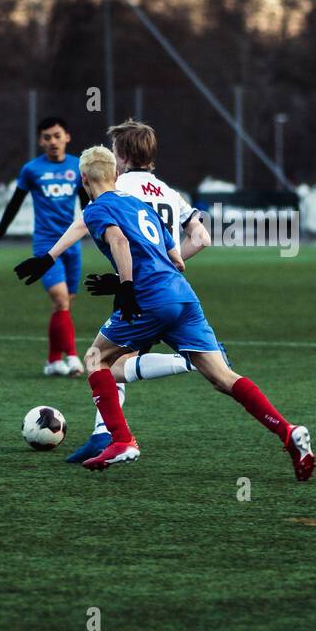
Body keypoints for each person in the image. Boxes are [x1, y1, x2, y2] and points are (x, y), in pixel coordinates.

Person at [14, 145, 315, 481]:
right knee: (222, 378)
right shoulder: (139, 205)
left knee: (96, 359)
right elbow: (177, 260)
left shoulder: (99, 208)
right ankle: (288, 432)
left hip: (148, 299)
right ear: (115, 174)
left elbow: (119, 242)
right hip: (183, 297)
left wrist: (126, 286)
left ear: (83, 178)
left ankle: (122, 440)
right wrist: (52, 258)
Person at [66, 117, 214, 463]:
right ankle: (105, 433)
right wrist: (168, 259)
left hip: (142, 287)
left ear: (123, 155)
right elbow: (202, 238)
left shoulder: (120, 190)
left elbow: (93, 225)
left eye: (115, 151)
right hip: (172, 285)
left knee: (104, 357)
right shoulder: (169, 192)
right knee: (112, 358)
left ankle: (111, 434)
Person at [0, 116, 87, 376]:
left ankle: (53, 361)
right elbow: (14, 205)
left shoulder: (78, 167)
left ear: (67, 137)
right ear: (40, 141)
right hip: (44, 246)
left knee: (64, 305)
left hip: (72, 245)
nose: (53, 141)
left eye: (57, 135)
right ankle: (73, 358)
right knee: (61, 299)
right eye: (47, 137)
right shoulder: (32, 170)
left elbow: (88, 206)